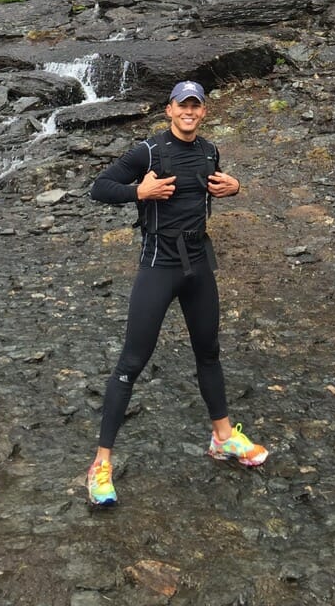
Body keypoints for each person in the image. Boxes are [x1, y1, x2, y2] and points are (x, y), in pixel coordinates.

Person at [86, 79, 268, 506]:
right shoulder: (147, 152)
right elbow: (99, 188)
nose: (189, 112)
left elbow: (213, 188)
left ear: (203, 112)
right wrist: (139, 191)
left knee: (209, 351)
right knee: (132, 361)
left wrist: (235, 188)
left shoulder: (209, 151)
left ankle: (223, 437)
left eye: (196, 106)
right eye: (181, 105)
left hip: (199, 264)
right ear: (169, 110)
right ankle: (100, 465)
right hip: (158, 265)